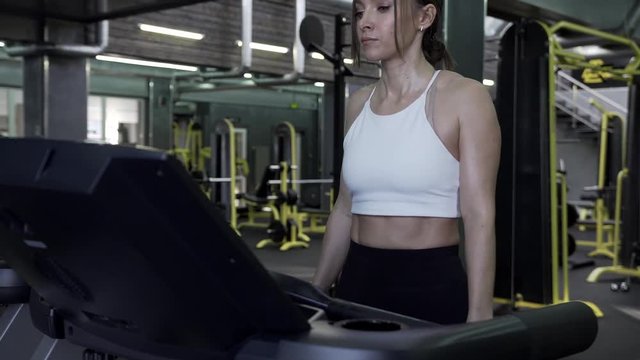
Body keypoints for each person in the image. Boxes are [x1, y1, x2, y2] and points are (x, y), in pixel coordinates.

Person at [312, 0, 500, 325]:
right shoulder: (358, 104)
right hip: (356, 285)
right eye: (359, 12)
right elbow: (344, 209)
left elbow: (479, 214)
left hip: (430, 287)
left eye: (383, 8)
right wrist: (316, 292)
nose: (364, 23)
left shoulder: (465, 97)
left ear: (424, 17)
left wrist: (480, 314)